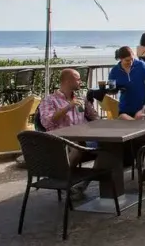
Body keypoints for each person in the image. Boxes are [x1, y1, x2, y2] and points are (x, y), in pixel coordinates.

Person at [38, 68, 99, 199]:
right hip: (60, 141)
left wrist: (92, 108)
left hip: (83, 138)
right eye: (78, 79)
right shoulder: (49, 100)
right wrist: (68, 107)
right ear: (67, 81)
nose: (81, 82)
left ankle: (82, 185)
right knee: (77, 146)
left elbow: (94, 118)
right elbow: (46, 122)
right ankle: (61, 179)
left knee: (109, 148)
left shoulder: (80, 98)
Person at [109, 46, 145, 118]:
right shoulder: (114, 71)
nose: (130, 62)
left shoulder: (141, 65)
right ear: (121, 59)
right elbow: (112, 90)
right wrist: (110, 90)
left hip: (141, 107)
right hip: (125, 108)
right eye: (127, 60)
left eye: (132, 59)